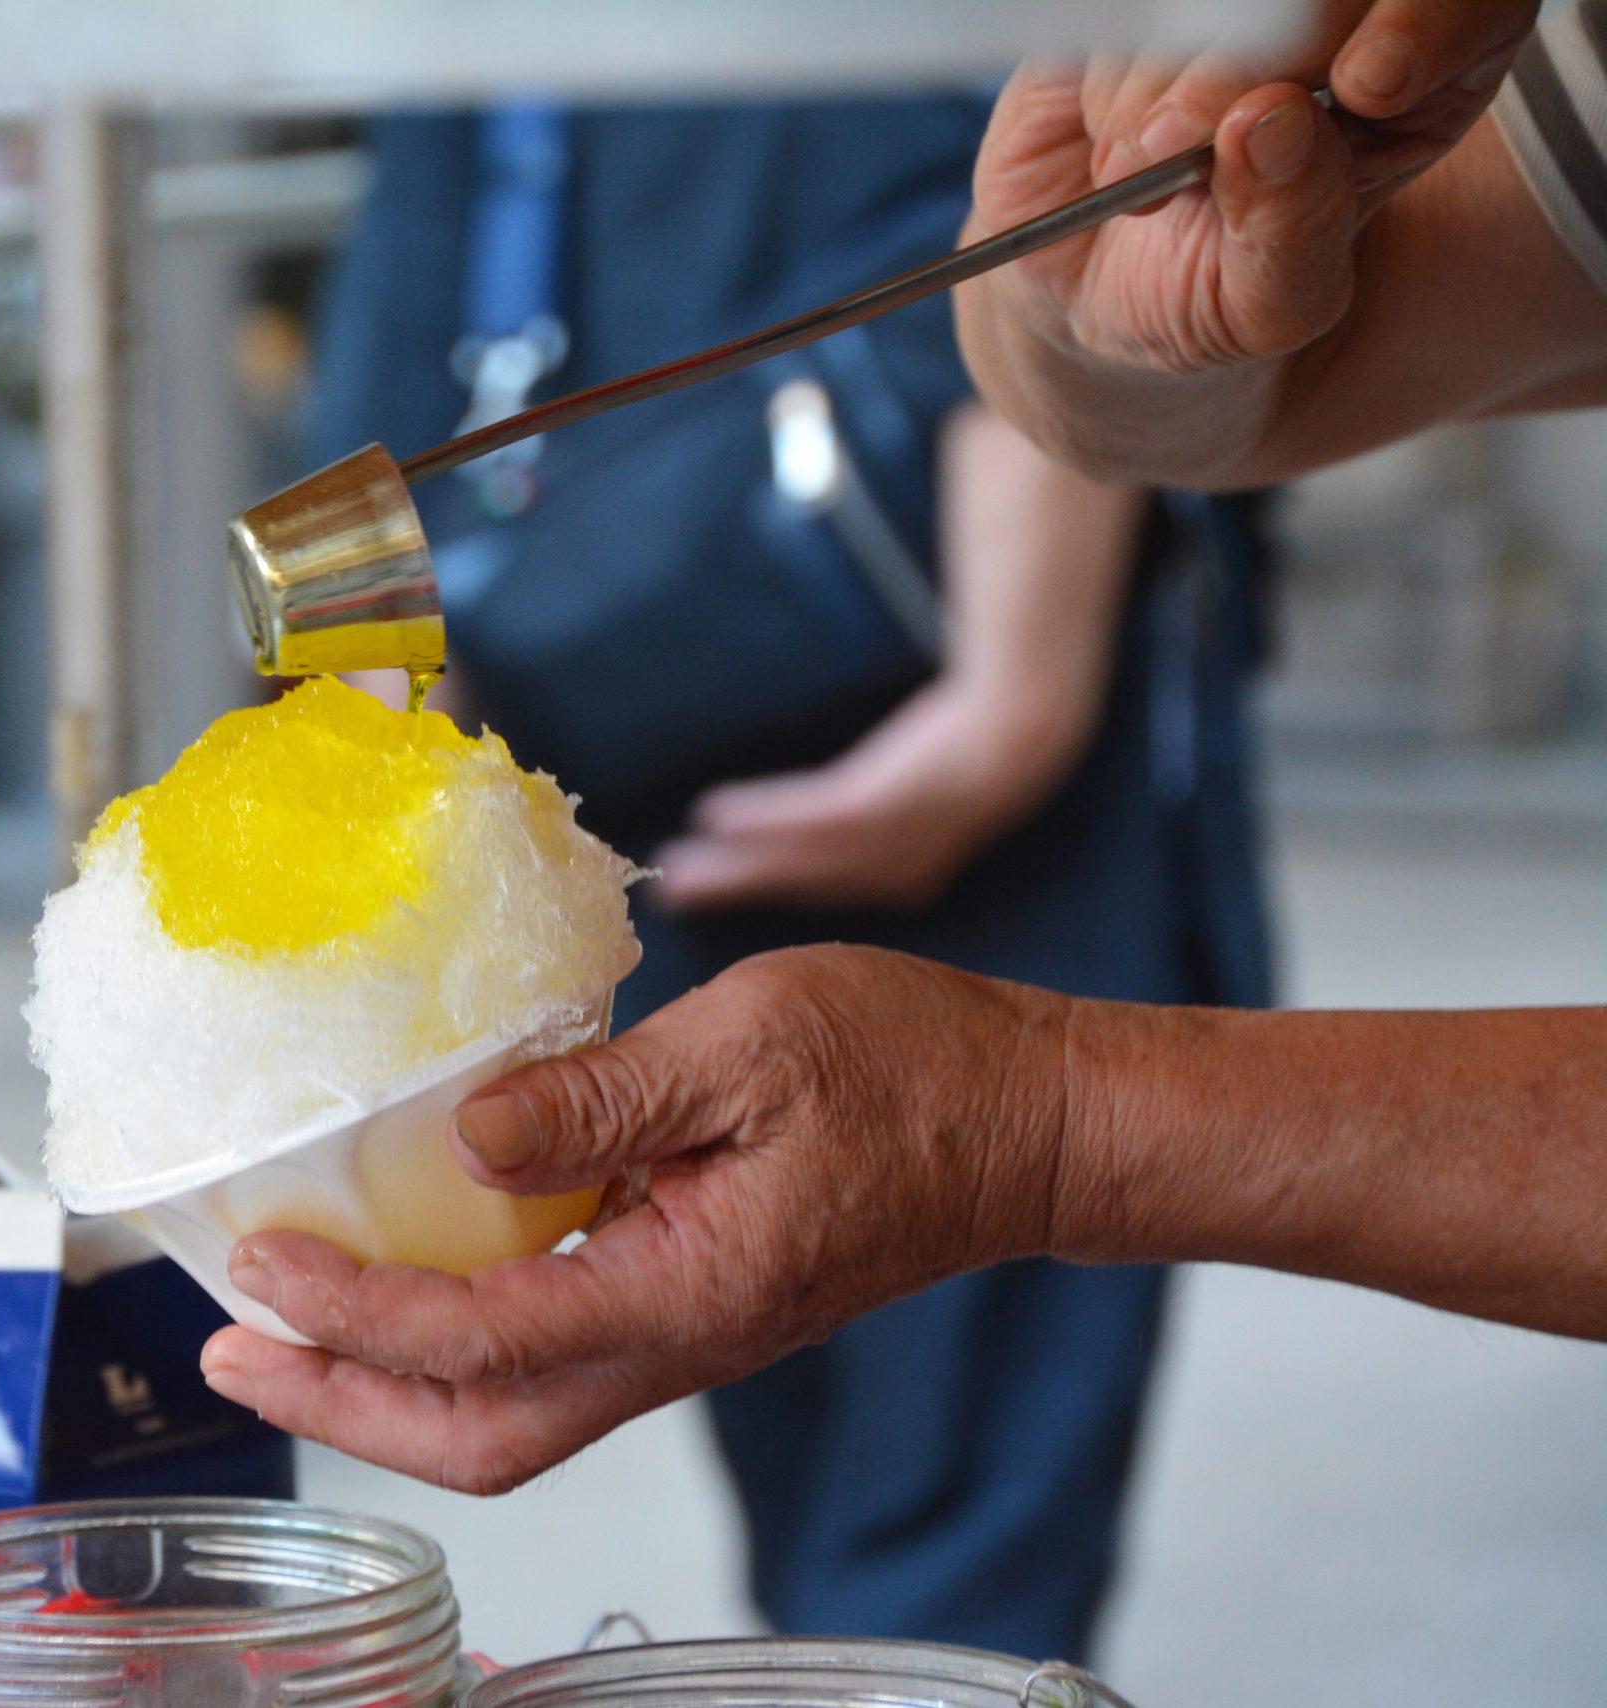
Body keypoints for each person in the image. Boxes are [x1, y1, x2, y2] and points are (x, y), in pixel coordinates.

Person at [199, 0, 1607, 1500]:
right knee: (826, 1464)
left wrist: (1046, 1099)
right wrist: (1093, 321)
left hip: (980, 815)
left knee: (944, 1509)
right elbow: (1150, 308)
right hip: (653, 771)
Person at [303, 96, 1270, 1658]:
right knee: (884, 1518)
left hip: (881, 773)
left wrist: (1010, 715)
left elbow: (1082, 183)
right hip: (690, 773)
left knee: (928, 1520)